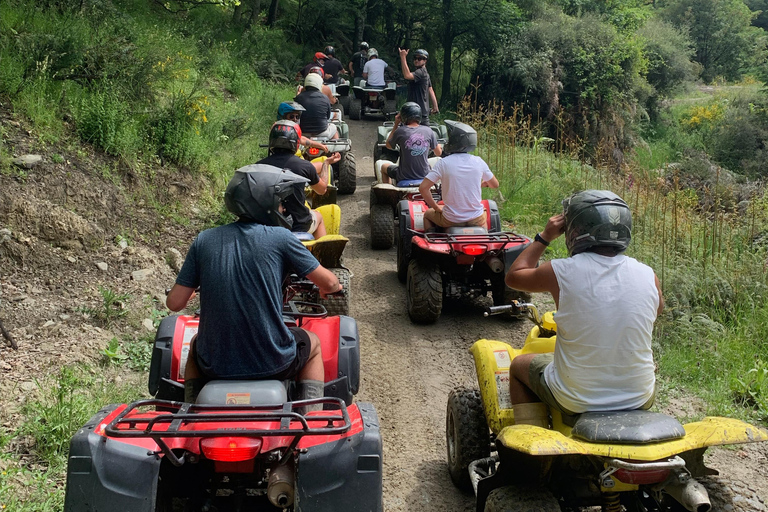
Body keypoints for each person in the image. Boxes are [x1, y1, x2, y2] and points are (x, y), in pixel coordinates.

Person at [166, 165, 343, 406]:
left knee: (197, 344)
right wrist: (326, 288)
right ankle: (311, 420)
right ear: (265, 202)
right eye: (281, 203)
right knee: (312, 343)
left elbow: (175, 303)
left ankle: (189, 412)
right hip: (273, 362)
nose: (283, 209)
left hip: (215, 365)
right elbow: (331, 281)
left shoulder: (204, 240)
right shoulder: (281, 238)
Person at [504, 190, 664, 428]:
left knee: (518, 365)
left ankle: (530, 451)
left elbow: (514, 277)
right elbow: (655, 310)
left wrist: (545, 237)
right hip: (639, 397)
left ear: (575, 231)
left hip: (575, 399)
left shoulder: (560, 271)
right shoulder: (648, 275)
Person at [258, 120, 340, 239]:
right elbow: (322, 190)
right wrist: (326, 164)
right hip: (299, 225)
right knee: (319, 217)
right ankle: (318, 257)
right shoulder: (305, 166)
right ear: (296, 143)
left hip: (268, 224)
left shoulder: (259, 166)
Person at [418, 120, 498, 230]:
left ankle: (432, 239)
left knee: (427, 214)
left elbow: (423, 188)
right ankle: (485, 240)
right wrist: (482, 184)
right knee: (482, 216)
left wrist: (436, 208)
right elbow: (494, 184)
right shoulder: (479, 161)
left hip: (451, 220)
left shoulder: (443, 163)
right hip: (476, 219)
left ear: (453, 141)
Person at [379, 102, 442, 185]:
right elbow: (438, 153)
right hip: (424, 176)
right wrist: (438, 146)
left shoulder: (400, 131)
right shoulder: (428, 131)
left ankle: (389, 194)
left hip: (403, 176)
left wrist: (396, 125)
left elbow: (388, 145)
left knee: (384, 167)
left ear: (403, 117)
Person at [398, 48, 439, 125]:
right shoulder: (426, 74)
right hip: (422, 113)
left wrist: (403, 57)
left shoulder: (420, 72)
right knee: (426, 135)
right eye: (415, 58)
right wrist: (435, 107)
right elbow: (430, 90)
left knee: (403, 134)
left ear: (425, 60)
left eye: (419, 58)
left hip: (414, 113)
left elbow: (407, 75)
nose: (416, 60)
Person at [295, 73, 338, 139]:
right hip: (321, 132)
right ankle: (335, 149)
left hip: (303, 132)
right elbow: (327, 117)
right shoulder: (325, 98)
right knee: (334, 128)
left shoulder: (299, 98)